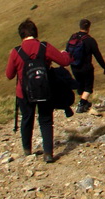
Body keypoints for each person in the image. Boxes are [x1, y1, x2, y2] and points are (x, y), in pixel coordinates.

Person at [6, 18, 72, 163]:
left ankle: (27, 150)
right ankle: (48, 153)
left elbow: (9, 75)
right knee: (46, 120)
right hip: (44, 90)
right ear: (35, 33)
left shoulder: (16, 51)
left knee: (27, 119)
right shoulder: (44, 47)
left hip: (23, 93)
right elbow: (64, 61)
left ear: (21, 35)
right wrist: (65, 53)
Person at [67, 18, 105, 114]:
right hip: (86, 68)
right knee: (88, 88)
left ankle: (85, 104)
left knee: (80, 86)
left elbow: (67, 51)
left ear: (80, 26)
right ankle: (81, 104)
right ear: (88, 28)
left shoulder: (73, 37)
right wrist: (104, 66)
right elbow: (97, 55)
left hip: (74, 67)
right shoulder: (90, 40)